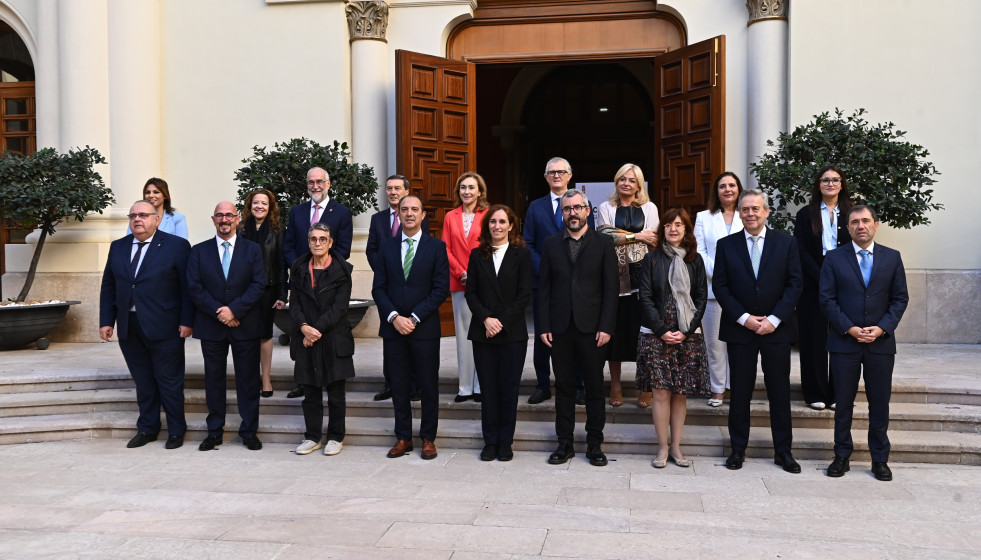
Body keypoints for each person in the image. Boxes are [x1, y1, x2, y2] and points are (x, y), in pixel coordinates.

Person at [713, 189, 803, 473]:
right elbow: (721, 287)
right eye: (745, 209)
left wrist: (774, 319)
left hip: (776, 330)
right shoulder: (726, 245)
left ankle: (783, 452)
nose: (750, 214)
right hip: (741, 330)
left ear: (766, 212)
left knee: (779, 392)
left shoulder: (786, 243)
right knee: (740, 392)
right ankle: (738, 449)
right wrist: (744, 318)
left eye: (756, 209)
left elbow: (795, 284)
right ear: (739, 213)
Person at [820, 205, 908, 481]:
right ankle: (841, 456)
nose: (861, 226)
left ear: (876, 224)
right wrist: (850, 327)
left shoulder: (892, 258)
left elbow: (900, 299)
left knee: (879, 403)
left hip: (880, 345)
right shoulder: (834, 258)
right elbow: (826, 299)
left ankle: (879, 459)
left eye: (865, 221)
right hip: (845, 342)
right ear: (847, 228)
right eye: (855, 222)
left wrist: (882, 328)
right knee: (843, 402)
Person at [99, 200, 194, 449]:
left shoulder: (176, 246)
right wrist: (106, 320)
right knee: (143, 381)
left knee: (169, 381)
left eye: (143, 215)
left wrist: (187, 321)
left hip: (166, 326)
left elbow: (187, 287)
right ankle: (148, 428)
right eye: (133, 215)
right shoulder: (118, 247)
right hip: (129, 325)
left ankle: (176, 430)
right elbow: (109, 285)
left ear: (157, 219)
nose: (137, 219)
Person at [539, 189, 618, 467]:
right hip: (559, 329)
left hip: (593, 328)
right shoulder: (550, 244)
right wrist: (544, 325)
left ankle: (595, 444)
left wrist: (607, 325)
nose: (572, 212)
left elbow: (611, 289)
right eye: (567, 209)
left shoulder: (604, 243)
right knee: (563, 387)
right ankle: (565, 444)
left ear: (588, 210)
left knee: (595, 389)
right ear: (562, 213)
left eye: (577, 207)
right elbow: (544, 288)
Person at [372, 194, 450, 460]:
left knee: (428, 385)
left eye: (414, 209)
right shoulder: (386, 247)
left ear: (423, 214)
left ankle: (428, 437)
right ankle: (403, 437)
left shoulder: (436, 247)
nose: (409, 214)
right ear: (398, 214)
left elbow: (441, 289)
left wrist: (414, 317)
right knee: (399, 384)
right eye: (404, 209)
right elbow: (378, 288)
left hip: (424, 329)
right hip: (394, 329)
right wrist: (394, 317)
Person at [187, 201, 267, 451]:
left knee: (248, 380)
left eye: (229, 215)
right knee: (214, 380)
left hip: (245, 324)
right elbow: (194, 287)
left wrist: (235, 310)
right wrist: (220, 312)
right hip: (212, 326)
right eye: (219, 215)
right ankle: (214, 431)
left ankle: (249, 431)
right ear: (213, 220)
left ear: (238, 219)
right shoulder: (198, 251)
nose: (224, 220)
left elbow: (258, 285)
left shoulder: (253, 250)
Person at [637, 208, 710, 468]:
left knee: (680, 393)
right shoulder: (652, 258)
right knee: (660, 394)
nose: (674, 229)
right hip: (657, 336)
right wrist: (661, 330)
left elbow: (701, 297)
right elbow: (644, 296)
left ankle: (677, 447)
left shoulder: (695, 260)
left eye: (679, 224)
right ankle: (662, 448)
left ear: (686, 229)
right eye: (668, 225)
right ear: (663, 229)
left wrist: (686, 330)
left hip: (686, 336)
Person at [522, 157, 595, 405]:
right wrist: (545, 269)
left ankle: (576, 386)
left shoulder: (583, 204)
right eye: (551, 172)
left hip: (575, 285)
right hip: (543, 283)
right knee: (544, 336)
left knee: (573, 334)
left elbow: (589, 240)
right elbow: (528, 243)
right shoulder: (535, 207)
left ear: (569, 175)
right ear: (545, 177)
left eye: (561, 171)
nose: (556, 175)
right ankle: (543, 385)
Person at [465, 205, 532, 461]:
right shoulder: (476, 255)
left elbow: (524, 294)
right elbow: (471, 292)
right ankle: (490, 441)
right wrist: (486, 319)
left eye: (502, 222)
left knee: (509, 388)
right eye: (492, 222)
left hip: (512, 333)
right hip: (483, 333)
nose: (497, 226)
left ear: (511, 225)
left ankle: (505, 441)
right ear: (487, 226)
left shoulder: (522, 255)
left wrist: (500, 321)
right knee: (489, 388)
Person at [283, 166, 354, 399]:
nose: (315, 186)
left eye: (319, 182)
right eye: (311, 182)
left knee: (325, 330)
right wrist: (302, 267)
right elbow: (289, 244)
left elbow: (343, 248)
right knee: (303, 328)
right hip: (303, 281)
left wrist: (323, 266)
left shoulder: (342, 212)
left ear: (328, 184)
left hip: (330, 281)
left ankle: (328, 380)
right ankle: (304, 382)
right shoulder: (297, 211)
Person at [595, 163, 659, 408]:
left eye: (632, 180)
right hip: (614, 279)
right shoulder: (605, 207)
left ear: (639, 184)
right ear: (616, 182)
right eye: (622, 179)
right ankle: (616, 385)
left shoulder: (649, 207)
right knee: (616, 335)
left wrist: (620, 235)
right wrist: (636, 236)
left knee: (643, 335)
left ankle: (645, 385)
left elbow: (653, 238)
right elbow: (603, 237)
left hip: (644, 280)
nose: (626, 183)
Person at [290, 223, 355, 457]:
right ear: (308, 242)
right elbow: (295, 303)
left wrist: (314, 331)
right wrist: (304, 328)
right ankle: (312, 436)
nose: (318, 243)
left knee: (336, 393)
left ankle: (336, 437)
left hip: (333, 338)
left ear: (330, 243)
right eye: (313, 239)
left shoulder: (343, 270)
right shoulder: (298, 268)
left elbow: (340, 308)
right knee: (310, 392)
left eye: (322, 239)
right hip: (306, 337)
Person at [365, 174, 429, 401]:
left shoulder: (417, 217)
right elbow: (371, 249)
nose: (392, 192)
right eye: (389, 188)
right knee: (391, 339)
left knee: (412, 341)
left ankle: (414, 385)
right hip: (389, 290)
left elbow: (424, 250)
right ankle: (389, 384)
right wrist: (386, 269)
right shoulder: (378, 219)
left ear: (406, 191)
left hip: (413, 289)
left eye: (397, 188)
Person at [794, 165, 852, 410]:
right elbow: (801, 250)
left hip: (846, 281)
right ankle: (815, 392)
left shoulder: (852, 212)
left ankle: (838, 393)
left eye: (835, 179)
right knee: (813, 339)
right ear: (818, 185)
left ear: (842, 184)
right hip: (812, 281)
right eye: (825, 180)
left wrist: (841, 279)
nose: (830, 183)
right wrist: (821, 278)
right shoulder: (805, 214)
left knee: (842, 338)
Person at [694, 172, 745, 407]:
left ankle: (737, 387)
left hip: (743, 291)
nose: (728, 190)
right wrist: (722, 273)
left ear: (739, 189)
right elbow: (699, 252)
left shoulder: (749, 214)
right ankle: (717, 389)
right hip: (713, 289)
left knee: (739, 343)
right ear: (717, 191)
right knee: (714, 344)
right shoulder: (704, 217)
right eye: (722, 186)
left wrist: (737, 276)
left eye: (732, 185)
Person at [444, 172, 490, 403]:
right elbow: (446, 248)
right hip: (458, 281)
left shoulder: (488, 215)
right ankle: (465, 387)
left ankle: (480, 385)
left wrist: (474, 274)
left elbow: (490, 245)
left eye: (471, 187)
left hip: (482, 282)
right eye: (463, 187)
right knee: (463, 335)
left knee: (482, 333)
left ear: (480, 191)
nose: (467, 192)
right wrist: (461, 272)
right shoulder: (450, 216)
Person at [239, 188, 288, 398]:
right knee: (246, 335)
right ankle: (249, 378)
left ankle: (266, 378)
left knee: (265, 335)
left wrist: (282, 293)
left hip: (268, 289)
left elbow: (281, 263)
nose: (259, 206)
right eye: (256, 202)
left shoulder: (278, 230)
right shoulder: (240, 229)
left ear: (270, 207)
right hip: (243, 290)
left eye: (264, 203)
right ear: (250, 205)